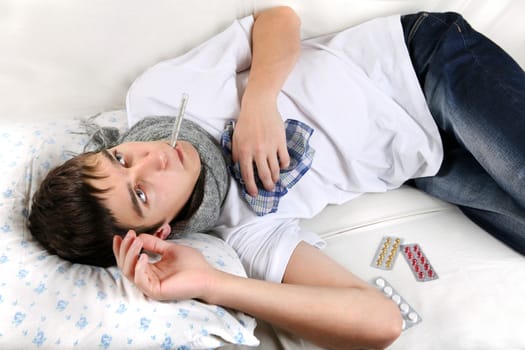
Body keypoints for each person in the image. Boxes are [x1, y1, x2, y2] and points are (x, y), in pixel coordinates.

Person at [27, 6, 525, 350]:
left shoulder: (156, 97)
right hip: (433, 160)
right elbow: (381, 323)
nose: (151, 159)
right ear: (158, 232)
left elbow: (279, 19)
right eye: (140, 192)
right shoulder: (240, 233)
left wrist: (258, 103)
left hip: (421, 62)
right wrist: (212, 283)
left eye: (119, 157)